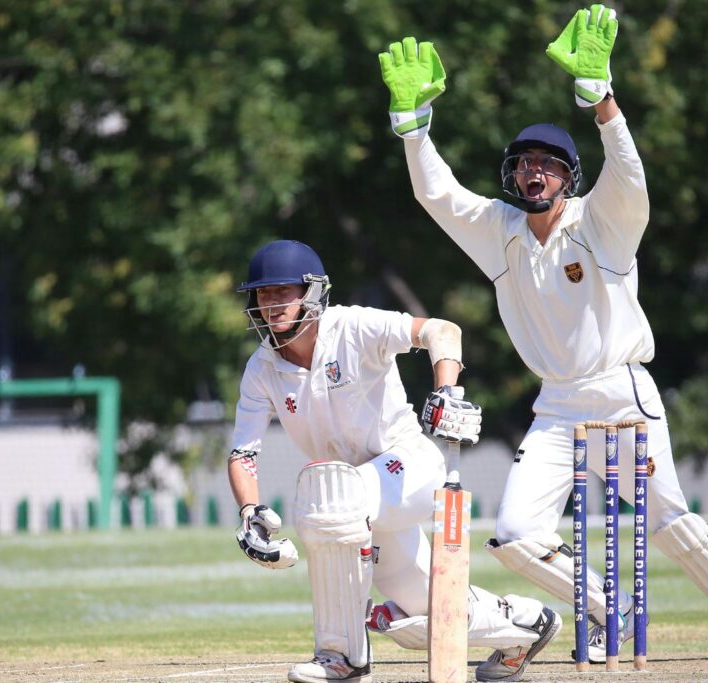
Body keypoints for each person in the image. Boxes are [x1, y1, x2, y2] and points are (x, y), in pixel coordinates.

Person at [377, 4, 708, 663]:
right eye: (524, 163)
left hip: (621, 395)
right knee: (514, 534)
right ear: (512, 176)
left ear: (569, 176)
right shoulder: (500, 232)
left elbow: (631, 178)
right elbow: (437, 195)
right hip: (557, 406)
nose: (534, 172)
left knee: (667, 522)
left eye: (548, 164)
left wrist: (602, 100)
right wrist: (413, 127)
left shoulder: (601, 223)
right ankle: (608, 610)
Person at [228, 239, 561, 683]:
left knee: (330, 496)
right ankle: (523, 625)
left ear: (312, 292)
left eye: (282, 292)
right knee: (426, 610)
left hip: (408, 466)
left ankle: (342, 656)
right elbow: (243, 453)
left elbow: (442, 331)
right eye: (263, 294)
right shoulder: (262, 368)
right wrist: (249, 513)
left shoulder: (353, 327)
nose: (271, 305)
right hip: (359, 500)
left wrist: (446, 392)